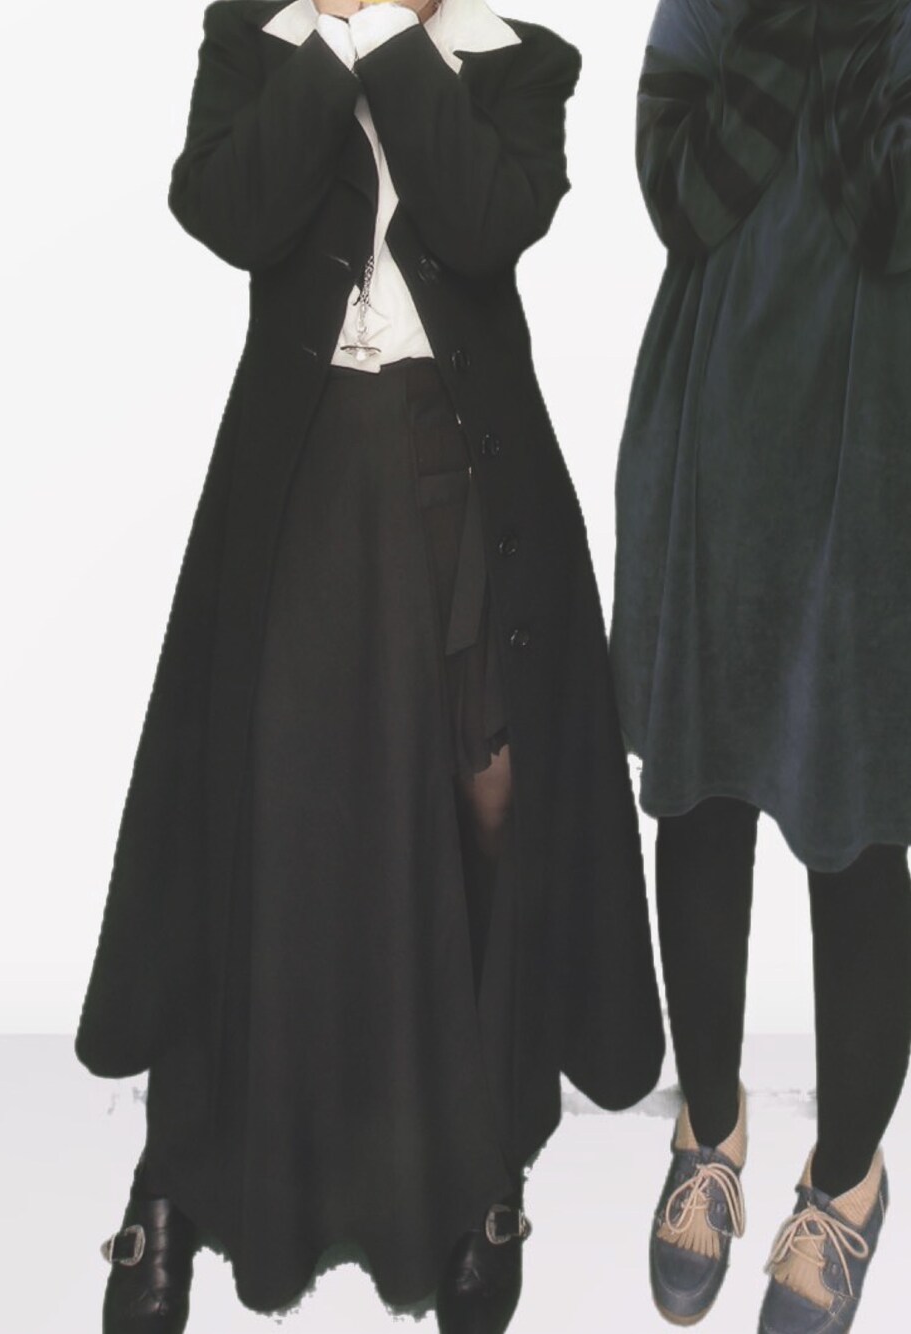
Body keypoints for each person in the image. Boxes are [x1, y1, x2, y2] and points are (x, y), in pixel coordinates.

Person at [75, 2, 665, 1332]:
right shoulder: (255, 36)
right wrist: (333, 45)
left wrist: (394, 37)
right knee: (257, 817)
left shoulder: (523, 61)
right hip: (299, 482)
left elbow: (481, 224)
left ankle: (482, 1176)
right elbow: (229, 213)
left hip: (468, 481)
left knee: (489, 809)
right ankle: (180, 1176)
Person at [611, 0, 911, 1330]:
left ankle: (845, 1183)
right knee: (700, 795)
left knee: (857, 828)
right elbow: (677, 197)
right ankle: (711, 1128)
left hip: (869, 449)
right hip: (713, 441)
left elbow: (894, 216)